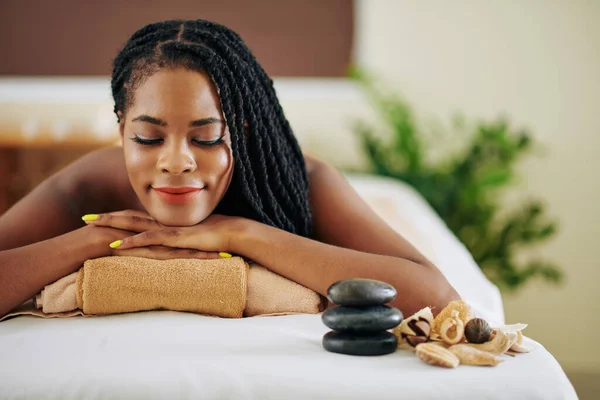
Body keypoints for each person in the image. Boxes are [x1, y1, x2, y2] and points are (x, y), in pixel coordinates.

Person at [0, 19, 459, 318]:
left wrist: (240, 234)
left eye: (205, 137)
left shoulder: (304, 183)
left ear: (239, 132)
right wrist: (95, 240)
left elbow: (438, 299)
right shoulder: (87, 186)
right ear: (122, 130)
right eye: (148, 137)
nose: (176, 162)